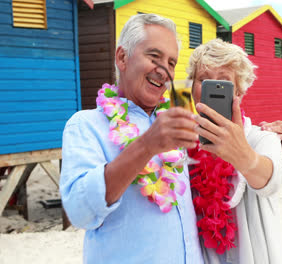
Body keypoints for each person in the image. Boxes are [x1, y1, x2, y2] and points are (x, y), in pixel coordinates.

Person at [60, 14, 203, 263]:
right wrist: (147, 145)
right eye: (154, 57)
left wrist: (265, 133)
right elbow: (79, 212)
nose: (164, 70)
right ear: (122, 57)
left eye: (171, 62)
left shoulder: (176, 119)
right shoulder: (85, 125)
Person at [187, 39, 282, 264]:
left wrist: (242, 155)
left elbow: (271, 180)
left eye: (223, 81)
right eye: (203, 79)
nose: (213, 86)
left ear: (239, 90)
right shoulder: (182, 149)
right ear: (192, 88)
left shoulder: (262, 138)